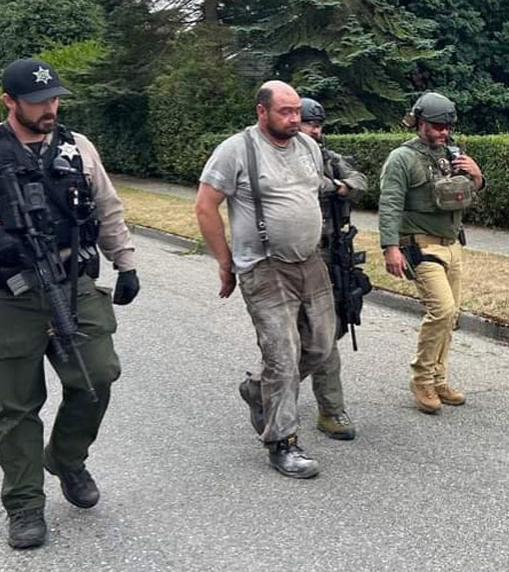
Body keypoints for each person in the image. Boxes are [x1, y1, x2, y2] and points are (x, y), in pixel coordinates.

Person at [0, 58, 140, 549]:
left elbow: (107, 207)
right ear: (9, 102)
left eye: (54, 99)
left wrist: (125, 263)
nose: (49, 109)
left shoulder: (78, 147)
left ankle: (66, 458)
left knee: (97, 376)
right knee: (17, 406)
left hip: (72, 282)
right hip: (7, 292)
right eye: (38, 102)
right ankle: (24, 505)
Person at [195, 80, 338, 479]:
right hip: (264, 265)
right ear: (262, 111)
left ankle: (258, 389)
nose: (295, 119)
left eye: (297, 112)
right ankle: (282, 442)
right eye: (286, 112)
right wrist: (225, 262)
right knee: (283, 355)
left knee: (322, 344)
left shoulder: (308, 148)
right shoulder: (236, 150)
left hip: (310, 263)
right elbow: (205, 207)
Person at [379, 92, 484, 414]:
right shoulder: (402, 158)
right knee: (441, 310)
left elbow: (465, 196)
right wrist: (390, 247)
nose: (443, 133)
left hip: (452, 244)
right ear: (420, 122)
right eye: (437, 126)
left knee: (450, 316)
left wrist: (476, 175)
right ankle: (422, 379)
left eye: (447, 127)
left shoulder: (451, 154)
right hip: (420, 245)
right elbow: (390, 204)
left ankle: (438, 378)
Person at [296, 97, 368, 440]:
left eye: (318, 125)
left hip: (330, 255)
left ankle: (269, 388)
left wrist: (342, 186)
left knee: (331, 329)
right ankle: (330, 409)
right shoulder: (282, 159)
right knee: (308, 335)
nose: (316, 131)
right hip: (291, 259)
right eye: (310, 124)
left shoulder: (327, 158)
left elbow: (360, 180)